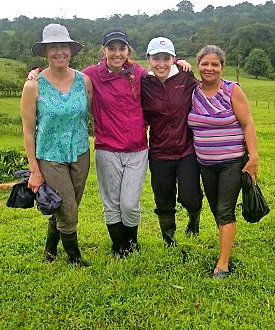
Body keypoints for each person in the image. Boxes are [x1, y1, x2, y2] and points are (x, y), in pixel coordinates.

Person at [21, 23, 93, 267]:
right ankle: (74, 258)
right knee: (69, 210)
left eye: (63, 46)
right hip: (50, 156)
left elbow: (89, 114)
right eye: (53, 47)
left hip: (80, 153)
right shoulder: (34, 86)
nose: (59, 52)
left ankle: (50, 251)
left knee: (61, 206)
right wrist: (34, 169)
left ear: (71, 50)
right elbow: (29, 130)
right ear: (45, 52)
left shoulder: (84, 81)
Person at [187, 45, 258, 278]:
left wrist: (254, 158)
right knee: (217, 209)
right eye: (205, 64)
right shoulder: (193, 91)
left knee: (225, 209)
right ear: (198, 65)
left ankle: (223, 264)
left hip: (232, 162)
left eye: (214, 64)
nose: (209, 68)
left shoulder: (231, 90)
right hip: (205, 163)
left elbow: (248, 124)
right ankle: (224, 248)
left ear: (222, 67)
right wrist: (178, 61)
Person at [141, 37, 203, 247]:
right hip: (159, 152)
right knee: (163, 198)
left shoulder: (185, 77)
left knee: (190, 196)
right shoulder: (144, 82)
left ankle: (194, 220)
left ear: (173, 59)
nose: (161, 64)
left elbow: (206, 90)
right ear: (149, 59)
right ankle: (169, 237)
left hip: (187, 150)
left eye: (166, 58)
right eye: (156, 58)